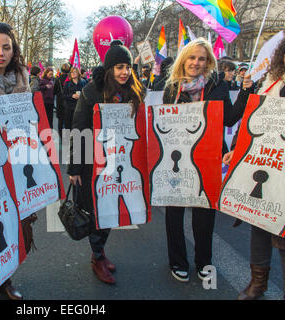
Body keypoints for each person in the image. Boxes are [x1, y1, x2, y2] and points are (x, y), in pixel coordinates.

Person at [162, 38, 253, 283]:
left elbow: (230, 119)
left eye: (201, 58)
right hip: (177, 159)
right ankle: (178, 261)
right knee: (174, 212)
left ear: (208, 62)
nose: (196, 63)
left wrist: (245, 91)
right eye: (192, 57)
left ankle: (204, 262)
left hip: (208, 157)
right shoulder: (172, 87)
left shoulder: (217, 85)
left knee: (205, 213)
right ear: (184, 60)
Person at [68, 40, 145, 284]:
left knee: (111, 210)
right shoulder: (93, 91)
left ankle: (100, 253)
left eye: (128, 67)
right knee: (96, 211)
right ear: (110, 68)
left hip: (121, 162)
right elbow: (79, 127)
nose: (124, 72)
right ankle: (97, 257)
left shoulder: (134, 91)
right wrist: (75, 168)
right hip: (95, 164)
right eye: (119, 66)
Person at [223, 37, 285, 300]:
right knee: (259, 222)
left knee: (281, 231)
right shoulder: (268, 85)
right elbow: (251, 122)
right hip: (263, 163)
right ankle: (257, 283)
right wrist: (237, 149)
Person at [0, 21, 33, 300]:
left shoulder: (23, 78)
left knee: (14, 223)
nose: (1, 53)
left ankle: (6, 277)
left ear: (14, 50)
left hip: (19, 158)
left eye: (7, 47)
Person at [53, 63, 70, 136]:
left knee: (60, 120)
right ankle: (66, 136)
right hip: (69, 101)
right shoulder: (70, 79)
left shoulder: (58, 79)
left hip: (60, 101)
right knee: (68, 120)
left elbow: (54, 91)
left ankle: (61, 136)